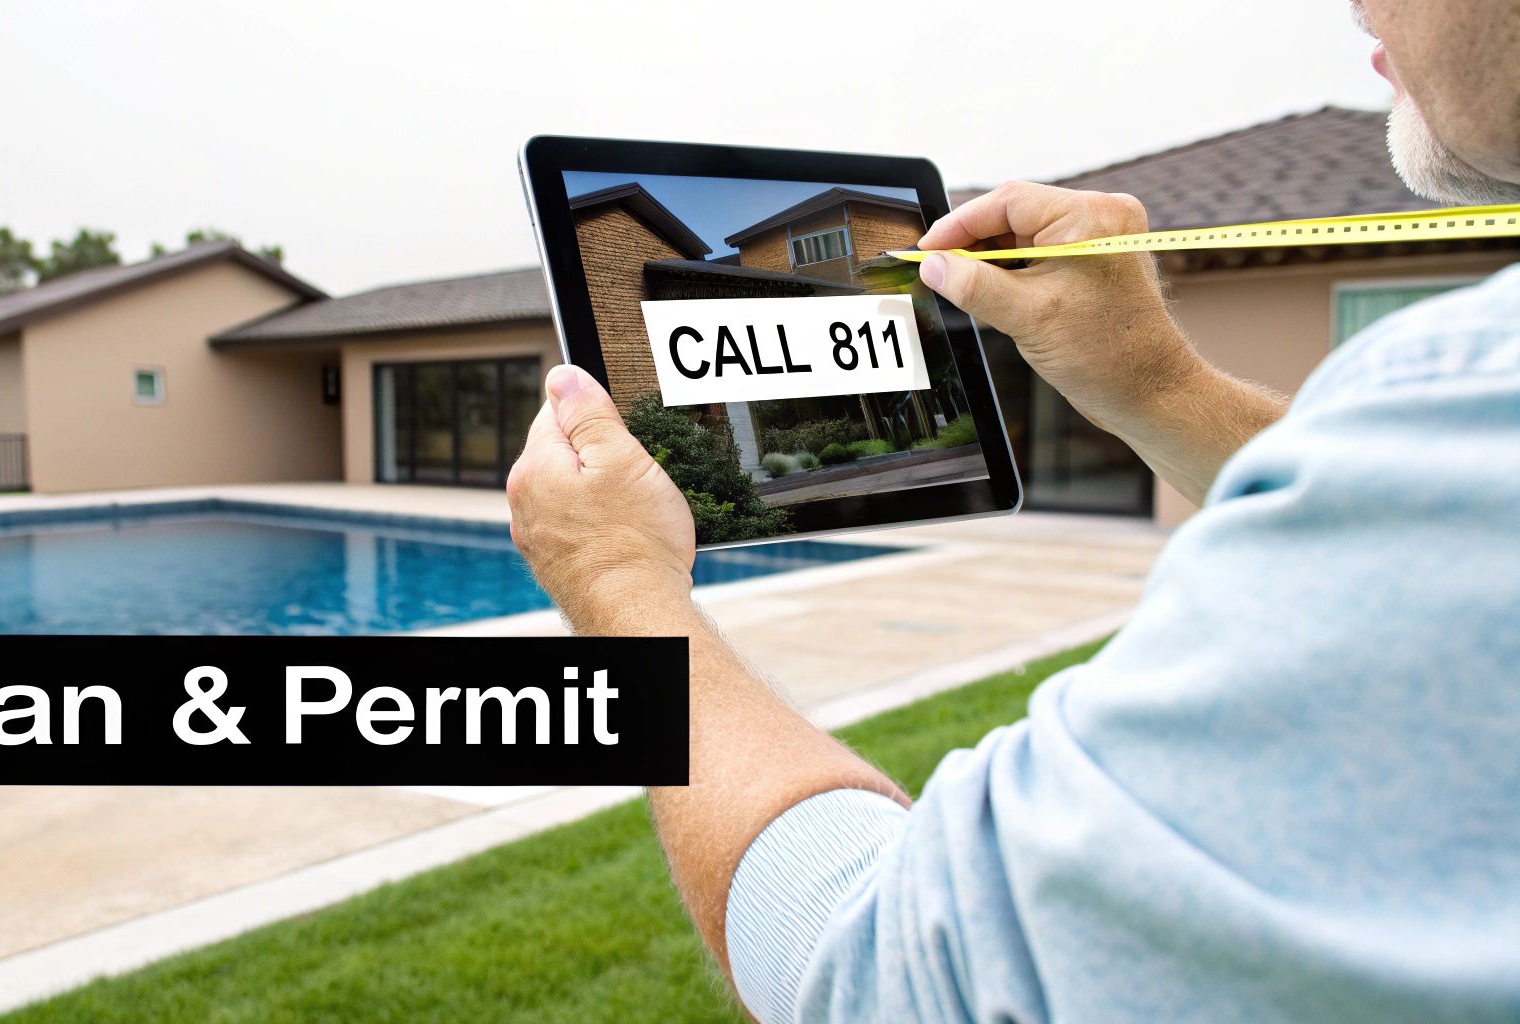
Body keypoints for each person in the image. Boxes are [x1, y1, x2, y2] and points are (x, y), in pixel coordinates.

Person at [505, 1, 1520, 1020]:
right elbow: (1420, 541)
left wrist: (619, 582)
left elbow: (877, 975)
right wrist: (1160, 387)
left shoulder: (1476, 387)